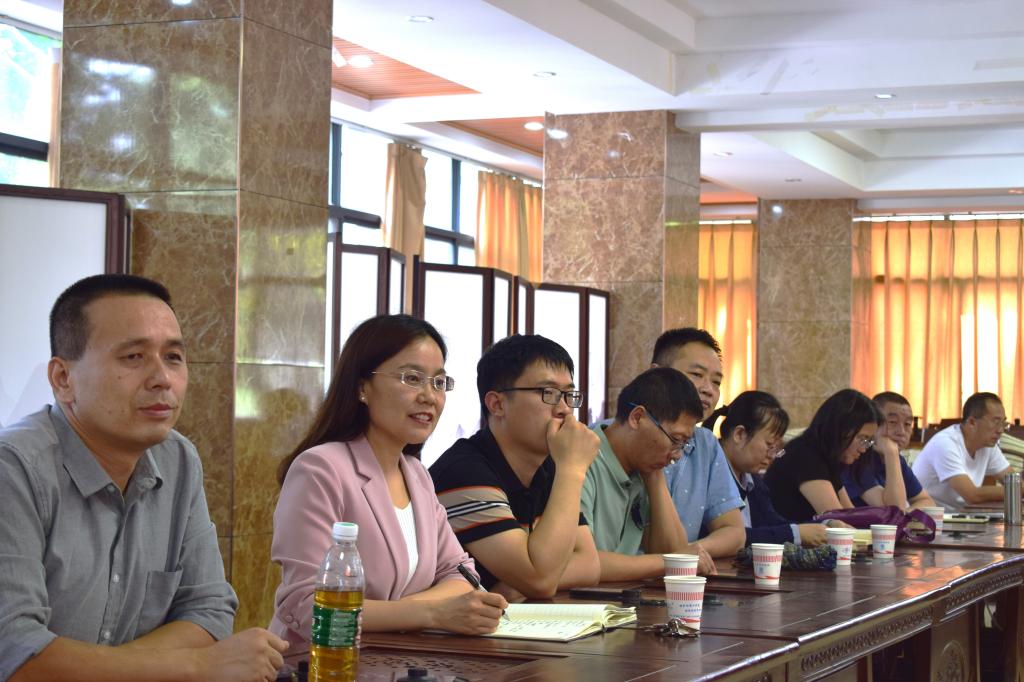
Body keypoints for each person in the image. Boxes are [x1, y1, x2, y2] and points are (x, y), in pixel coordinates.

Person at [0, 274, 286, 682]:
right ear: (63, 379)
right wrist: (199, 665)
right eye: (133, 357)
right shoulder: (14, 468)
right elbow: (15, 653)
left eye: (173, 357)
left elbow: (208, 609)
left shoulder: (177, 458)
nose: (162, 379)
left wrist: (101, 668)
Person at [271, 315, 505, 654]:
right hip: (322, 663)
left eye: (439, 382)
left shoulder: (416, 474)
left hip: (398, 661)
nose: (429, 396)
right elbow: (310, 607)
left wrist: (401, 613)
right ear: (361, 387)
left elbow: (462, 574)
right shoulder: (320, 469)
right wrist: (432, 613)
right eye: (412, 378)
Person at [430, 334, 601, 599]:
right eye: (548, 393)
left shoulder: (550, 467)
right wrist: (572, 470)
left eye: (569, 394)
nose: (565, 409)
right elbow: (541, 580)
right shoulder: (463, 472)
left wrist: (515, 585)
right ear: (497, 404)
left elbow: (589, 565)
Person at [581, 367, 706, 580]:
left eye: (683, 444)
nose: (677, 455)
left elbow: (674, 551)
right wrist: (671, 562)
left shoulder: (643, 467)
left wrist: (656, 478)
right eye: (676, 440)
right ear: (637, 418)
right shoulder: (582, 458)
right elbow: (581, 561)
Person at [650, 328, 745, 561]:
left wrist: (689, 553)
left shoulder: (706, 444)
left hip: (680, 575)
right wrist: (680, 555)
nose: (708, 389)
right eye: (696, 374)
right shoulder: (617, 436)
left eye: (716, 381)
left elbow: (734, 532)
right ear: (656, 374)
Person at [711, 391, 831, 546]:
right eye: (769, 445)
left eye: (776, 448)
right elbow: (729, 536)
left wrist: (825, 524)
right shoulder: (709, 471)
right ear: (739, 434)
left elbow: (772, 522)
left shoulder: (751, 478)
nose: (772, 455)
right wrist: (795, 534)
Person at [765, 389, 887, 523]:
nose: (863, 449)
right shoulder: (805, 455)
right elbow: (837, 520)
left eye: (868, 441)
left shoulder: (827, 458)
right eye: (862, 439)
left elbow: (849, 513)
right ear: (840, 429)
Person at [911, 392, 1012, 510]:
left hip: (959, 515)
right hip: (926, 516)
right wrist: (1013, 490)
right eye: (996, 422)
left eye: (1003, 423)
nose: (1000, 430)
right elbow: (972, 495)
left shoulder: (988, 446)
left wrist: (1016, 487)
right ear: (972, 422)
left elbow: (1013, 480)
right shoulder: (945, 443)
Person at [841, 392, 935, 509]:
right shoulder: (858, 457)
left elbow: (927, 501)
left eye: (907, 424)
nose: (901, 431)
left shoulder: (898, 461)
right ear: (873, 424)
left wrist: (907, 514)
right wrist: (891, 453)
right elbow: (894, 508)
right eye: (892, 422)